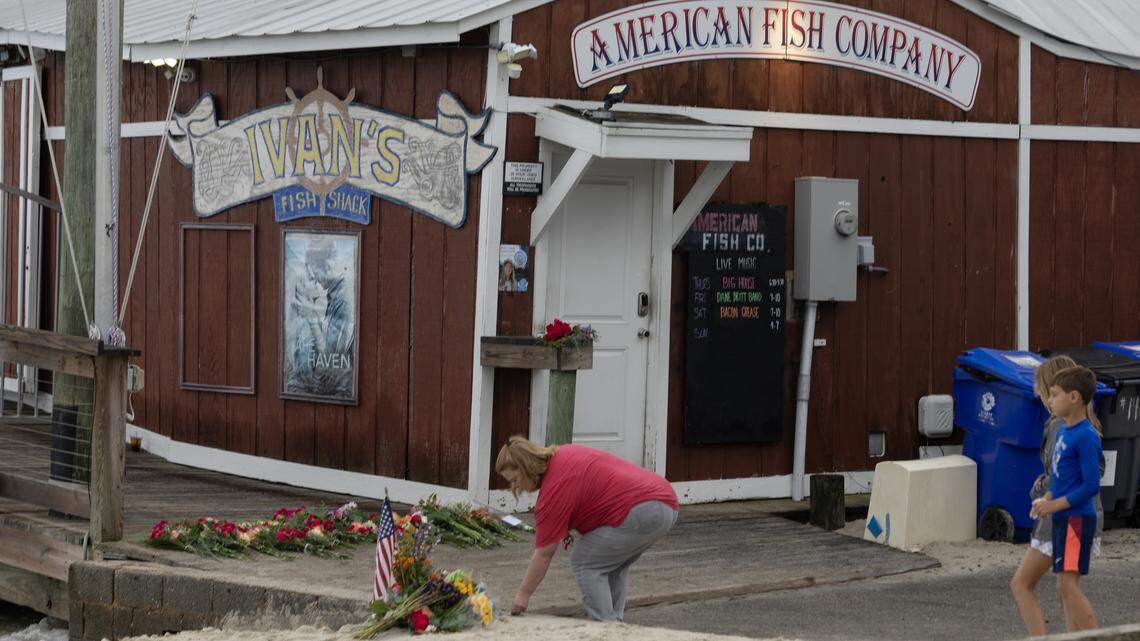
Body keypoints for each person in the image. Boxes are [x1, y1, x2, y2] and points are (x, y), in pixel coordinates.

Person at [495, 436, 678, 622]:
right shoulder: (563, 453)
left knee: (584, 563)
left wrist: (523, 595)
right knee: (612, 565)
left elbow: (544, 553)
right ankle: (616, 624)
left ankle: (605, 626)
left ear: (526, 467)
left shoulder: (552, 492)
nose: (514, 487)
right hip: (666, 502)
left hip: (642, 510)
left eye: (515, 479)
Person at [1010, 356, 1104, 636]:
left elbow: (1089, 483)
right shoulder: (1069, 429)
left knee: (1035, 585)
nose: (1043, 397)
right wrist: (1048, 493)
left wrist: (1049, 499)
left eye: (1050, 392)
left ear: (1071, 396)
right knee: (1067, 589)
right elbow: (1063, 474)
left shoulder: (1076, 433)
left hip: (1073, 517)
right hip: (1065, 516)